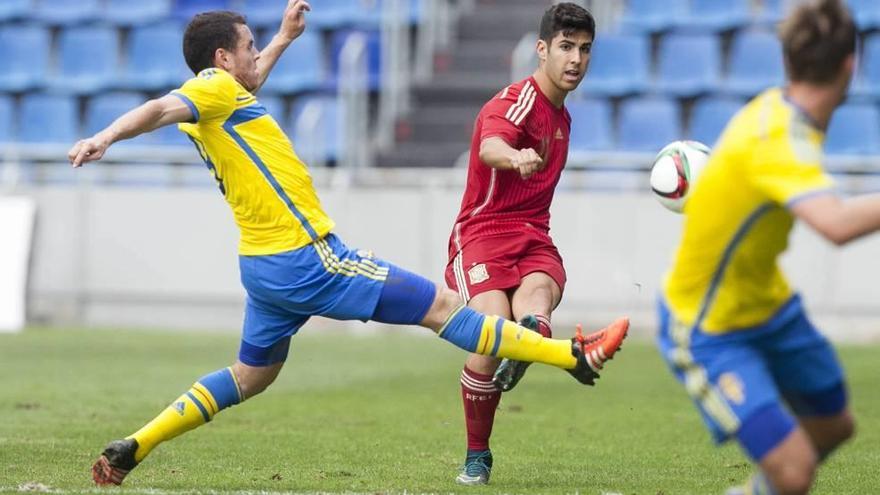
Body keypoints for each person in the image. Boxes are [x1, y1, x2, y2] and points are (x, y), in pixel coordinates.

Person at [68, 1, 628, 486]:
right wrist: (106, 136)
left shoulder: (222, 96)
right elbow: (159, 108)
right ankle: (571, 354)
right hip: (309, 257)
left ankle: (136, 444)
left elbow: (247, 79)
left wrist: (285, 37)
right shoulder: (211, 89)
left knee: (249, 376)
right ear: (221, 61)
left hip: (262, 268)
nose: (255, 54)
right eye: (250, 45)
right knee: (440, 307)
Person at [656, 1, 873, 493]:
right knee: (795, 470)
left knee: (835, 427)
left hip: (769, 308)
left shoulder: (781, 111)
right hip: (708, 325)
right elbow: (835, 225)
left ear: (789, 61)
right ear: (850, 66)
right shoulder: (776, 137)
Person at [443, 3, 628, 486]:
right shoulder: (517, 102)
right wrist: (513, 155)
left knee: (538, 297)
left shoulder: (562, 119)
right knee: (491, 332)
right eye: (566, 47)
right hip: (482, 234)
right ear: (541, 50)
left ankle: (533, 337)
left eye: (585, 49)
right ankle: (477, 455)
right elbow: (488, 144)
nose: (576, 60)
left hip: (532, 235)